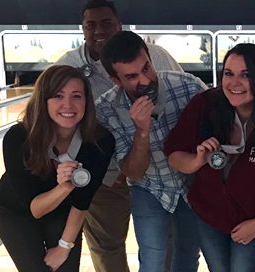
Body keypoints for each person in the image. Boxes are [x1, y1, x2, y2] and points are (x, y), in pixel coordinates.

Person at [54, 1, 183, 271]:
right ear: (83, 30)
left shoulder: (156, 56)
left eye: (106, 23)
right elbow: (51, 119)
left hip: (157, 174)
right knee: (106, 245)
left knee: (165, 245)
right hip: (102, 176)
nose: (99, 30)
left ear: (119, 24)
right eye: (91, 25)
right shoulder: (69, 66)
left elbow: (183, 105)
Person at [164, 43, 255, 272]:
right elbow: (174, 154)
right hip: (210, 216)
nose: (234, 83)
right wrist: (197, 161)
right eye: (229, 74)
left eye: (246, 75)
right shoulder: (205, 105)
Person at [96, 30, 205, 272]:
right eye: (132, 76)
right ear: (116, 80)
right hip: (149, 188)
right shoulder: (106, 109)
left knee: (187, 256)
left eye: (146, 68)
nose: (145, 81)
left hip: (192, 184)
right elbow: (133, 173)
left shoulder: (189, 87)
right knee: (152, 261)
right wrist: (142, 131)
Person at [0, 65, 115, 272]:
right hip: (15, 212)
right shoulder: (19, 138)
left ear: (86, 101)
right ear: (43, 101)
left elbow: (82, 202)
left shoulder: (100, 142)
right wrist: (65, 187)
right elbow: (35, 210)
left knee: (66, 268)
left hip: (64, 212)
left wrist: (64, 248)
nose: (68, 104)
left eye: (76, 96)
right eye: (58, 96)